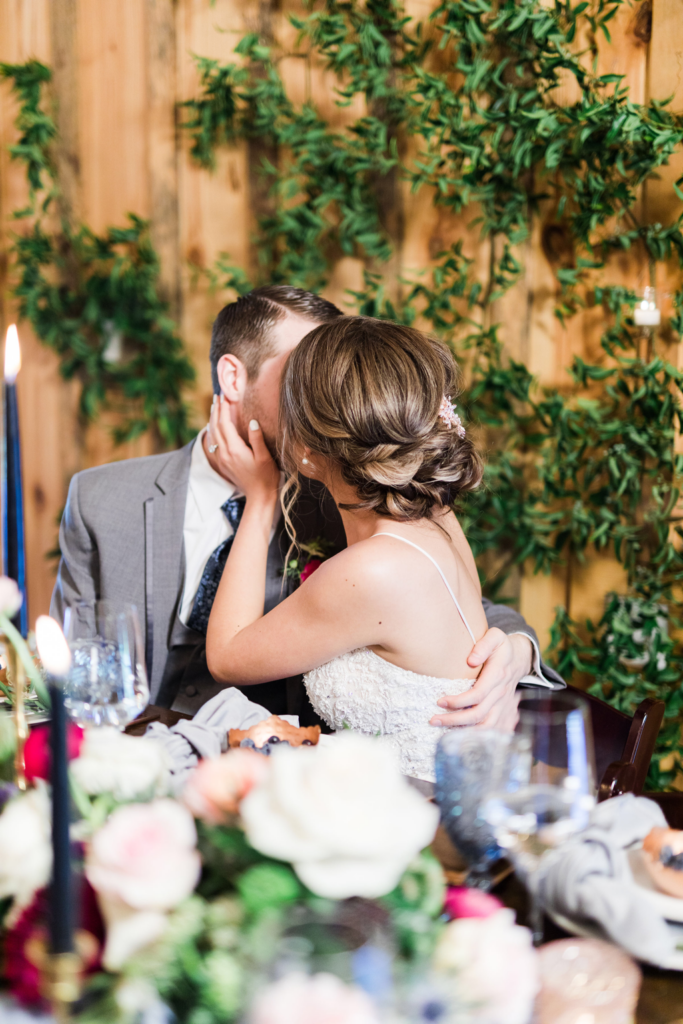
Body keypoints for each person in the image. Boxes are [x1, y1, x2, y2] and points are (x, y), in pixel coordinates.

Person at [51, 286, 561, 730]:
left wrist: (517, 653)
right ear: (233, 378)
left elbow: (460, 605)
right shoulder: (102, 499)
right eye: (302, 373)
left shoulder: (353, 486)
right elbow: (68, 673)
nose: (325, 398)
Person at [205, 316, 559, 779]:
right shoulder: (436, 514)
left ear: (309, 453)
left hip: (425, 813)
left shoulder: (374, 570)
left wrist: (262, 498)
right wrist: (519, 648)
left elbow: (227, 657)